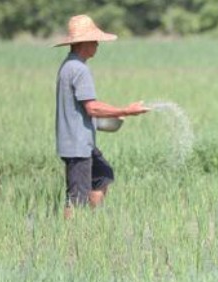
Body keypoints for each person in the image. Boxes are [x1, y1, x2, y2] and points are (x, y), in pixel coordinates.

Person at [54, 15, 148, 219]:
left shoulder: (69, 65)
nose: (97, 44)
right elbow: (92, 108)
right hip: (77, 146)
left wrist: (101, 121)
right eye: (94, 40)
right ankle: (70, 235)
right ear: (83, 43)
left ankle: (92, 221)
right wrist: (126, 110)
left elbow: (81, 109)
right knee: (76, 197)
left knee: (103, 175)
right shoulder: (79, 69)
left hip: (81, 142)